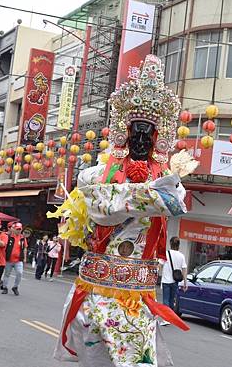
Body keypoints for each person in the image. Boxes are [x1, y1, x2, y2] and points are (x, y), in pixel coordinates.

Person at [48, 55, 195, 366]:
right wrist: (150, 196)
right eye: (135, 131)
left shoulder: (169, 182)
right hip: (96, 287)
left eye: (148, 132)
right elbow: (101, 209)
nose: (141, 139)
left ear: (158, 137)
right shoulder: (95, 175)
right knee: (94, 359)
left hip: (137, 294)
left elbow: (175, 204)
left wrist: (137, 196)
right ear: (124, 132)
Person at [159, 237, 187, 326]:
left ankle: (165, 319)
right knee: (172, 301)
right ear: (179, 245)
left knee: (165, 300)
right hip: (176, 281)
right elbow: (184, 269)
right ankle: (170, 318)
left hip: (166, 281)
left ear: (170, 244)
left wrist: (155, 275)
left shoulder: (166, 254)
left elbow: (159, 265)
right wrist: (185, 283)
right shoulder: (181, 256)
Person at [1, 222, 27, 295]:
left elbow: (25, 248)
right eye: (17, 229)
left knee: (19, 273)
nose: (18, 231)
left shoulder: (22, 238)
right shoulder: (9, 236)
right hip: (9, 259)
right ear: (14, 229)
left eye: (20, 229)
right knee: (7, 274)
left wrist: (25, 258)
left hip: (18, 260)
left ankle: (15, 287)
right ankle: (5, 287)